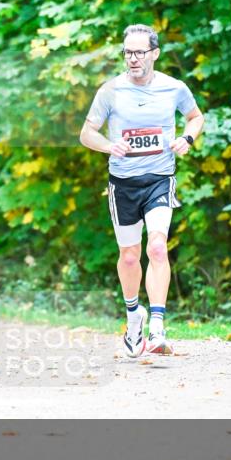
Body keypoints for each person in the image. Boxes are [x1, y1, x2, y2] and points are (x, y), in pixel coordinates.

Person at [79, 24, 205, 356]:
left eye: (139, 53)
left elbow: (195, 117)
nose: (133, 59)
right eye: (128, 53)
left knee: (158, 249)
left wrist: (187, 139)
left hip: (159, 179)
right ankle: (134, 314)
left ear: (155, 54)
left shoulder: (173, 88)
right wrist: (109, 146)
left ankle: (159, 327)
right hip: (123, 184)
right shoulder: (110, 91)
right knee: (130, 256)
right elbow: (86, 133)